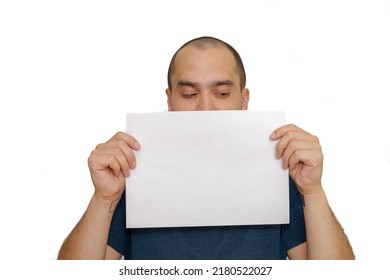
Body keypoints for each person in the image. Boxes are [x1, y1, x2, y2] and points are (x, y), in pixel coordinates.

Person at [58, 36, 354, 260]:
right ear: (170, 100)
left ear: (244, 100)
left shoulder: (281, 172)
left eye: (222, 93)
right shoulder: (133, 175)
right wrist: (103, 197)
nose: (205, 107)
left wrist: (312, 191)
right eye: (189, 94)